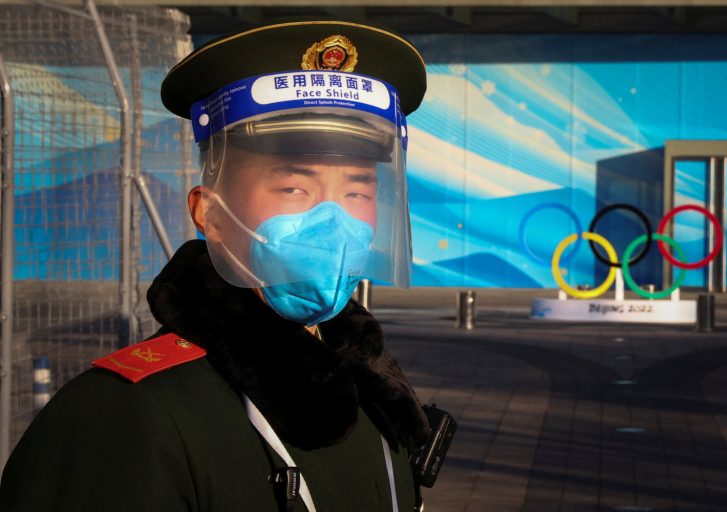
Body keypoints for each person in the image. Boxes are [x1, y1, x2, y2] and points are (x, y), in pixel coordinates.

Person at [0, 18, 433, 511]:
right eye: (294, 187)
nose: (335, 221)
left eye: (357, 190)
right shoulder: (127, 416)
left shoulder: (370, 395)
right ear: (210, 213)